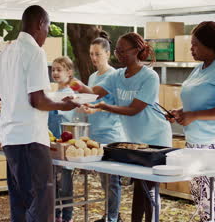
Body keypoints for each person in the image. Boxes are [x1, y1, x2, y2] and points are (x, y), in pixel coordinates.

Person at [0, 5, 79, 222]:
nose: (47, 33)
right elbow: (37, 100)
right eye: (48, 27)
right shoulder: (35, 52)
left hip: (10, 138)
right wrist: (63, 104)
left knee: (20, 204)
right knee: (42, 206)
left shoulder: (6, 52)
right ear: (40, 24)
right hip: (30, 138)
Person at [76, 32, 172, 222]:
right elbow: (94, 92)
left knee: (150, 188)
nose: (118, 54)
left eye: (122, 50)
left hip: (155, 138)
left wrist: (104, 106)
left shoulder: (149, 76)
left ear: (136, 50)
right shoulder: (118, 75)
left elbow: (134, 109)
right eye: (117, 50)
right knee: (139, 186)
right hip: (135, 140)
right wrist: (74, 86)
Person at [168, 21, 215, 222]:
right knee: (201, 199)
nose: (191, 49)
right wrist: (181, 113)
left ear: (210, 45)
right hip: (196, 142)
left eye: (195, 44)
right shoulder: (200, 69)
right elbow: (198, 103)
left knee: (211, 201)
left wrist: (194, 116)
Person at [85, 32, 125, 222]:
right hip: (95, 134)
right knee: (104, 180)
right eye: (91, 54)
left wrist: (98, 110)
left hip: (111, 134)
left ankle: (112, 217)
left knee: (112, 181)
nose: (93, 57)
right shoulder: (92, 77)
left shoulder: (115, 76)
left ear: (108, 54)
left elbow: (120, 106)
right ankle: (110, 214)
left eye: (97, 54)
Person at [48, 56, 76, 222]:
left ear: (69, 72)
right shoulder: (54, 93)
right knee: (53, 184)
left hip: (65, 145)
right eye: (53, 69)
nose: (55, 73)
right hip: (52, 144)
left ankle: (67, 217)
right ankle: (56, 215)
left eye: (60, 70)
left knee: (65, 185)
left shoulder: (69, 94)